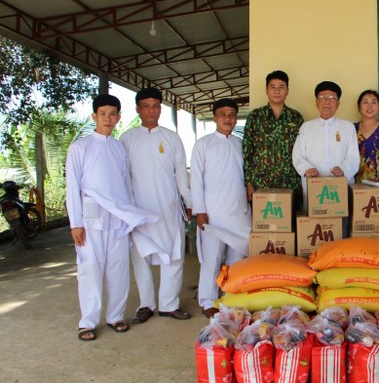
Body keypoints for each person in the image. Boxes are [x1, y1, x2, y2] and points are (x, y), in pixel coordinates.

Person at [66, 94, 157, 341]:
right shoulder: (80, 147)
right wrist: (75, 223)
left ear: (118, 117)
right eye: (103, 113)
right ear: (94, 116)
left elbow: (125, 184)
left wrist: (128, 216)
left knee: (118, 268)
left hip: (117, 217)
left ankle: (116, 316)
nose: (108, 118)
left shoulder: (118, 147)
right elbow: (72, 186)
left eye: (112, 113)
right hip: (90, 216)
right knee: (90, 268)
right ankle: (88, 322)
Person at [120, 87, 193, 323]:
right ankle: (146, 304)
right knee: (141, 257)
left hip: (169, 207)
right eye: (147, 106)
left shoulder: (171, 138)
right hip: (138, 210)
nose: (152, 110)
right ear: (138, 109)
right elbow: (122, 177)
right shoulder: (127, 139)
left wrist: (188, 203)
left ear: (160, 108)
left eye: (156, 106)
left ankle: (169, 304)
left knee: (173, 256)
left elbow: (181, 173)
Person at [191, 98, 251, 318]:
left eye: (231, 114)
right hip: (212, 213)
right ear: (215, 117)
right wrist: (200, 210)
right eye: (223, 114)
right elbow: (196, 180)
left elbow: (246, 177)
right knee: (212, 259)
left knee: (236, 260)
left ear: (236, 118)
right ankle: (208, 300)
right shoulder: (203, 144)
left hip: (238, 211)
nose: (227, 118)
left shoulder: (239, 144)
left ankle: (230, 298)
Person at [292, 81, 360, 207]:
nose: (327, 102)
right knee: (315, 221)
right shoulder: (306, 127)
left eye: (332, 98)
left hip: (341, 185)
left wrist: (343, 170)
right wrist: (307, 168)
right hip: (314, 186)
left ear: (338, 103)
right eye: (322, 98)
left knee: (340, 220)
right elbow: (298, 155)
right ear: (316, 102)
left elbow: (354, 157)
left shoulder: (347, 127)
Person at [243, 70, 304, 209]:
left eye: (281, 87)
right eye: (272, 87)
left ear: (287, 91)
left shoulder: (296, 117)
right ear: (266, 90)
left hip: (290, 183)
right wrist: (249, 182)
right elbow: (247, 151)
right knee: (264, 226)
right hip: (261, 183)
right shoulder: (255, 117)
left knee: (290, 227)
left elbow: (303, 151)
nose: (277, 91)